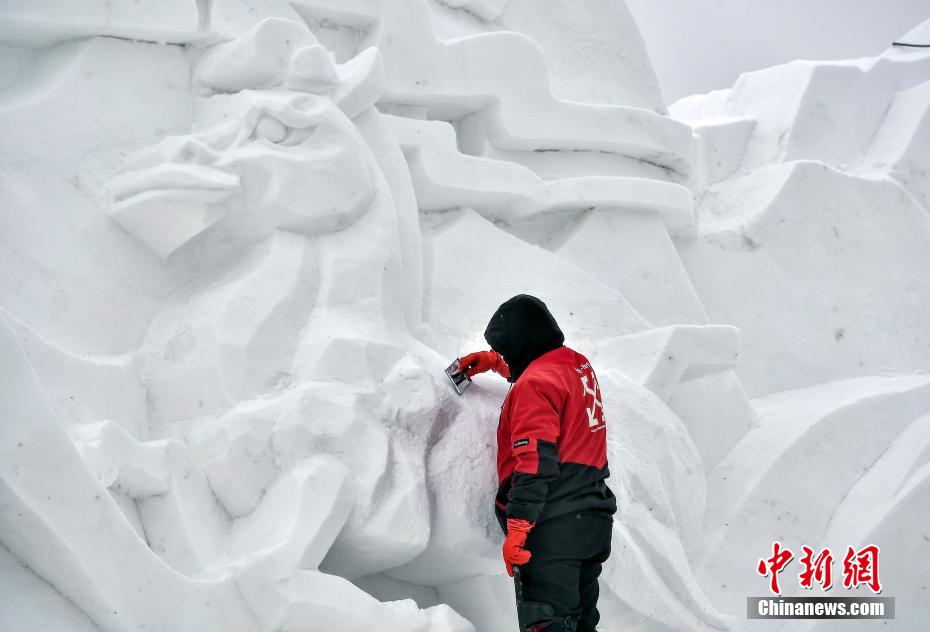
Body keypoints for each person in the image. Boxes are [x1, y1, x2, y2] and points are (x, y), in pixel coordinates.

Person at [458, 294, 617, 632]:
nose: (506, 355)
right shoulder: (576, 364)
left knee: (547, 626)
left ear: (521, 341)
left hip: (552, 530)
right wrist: (497, 364)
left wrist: (518, 529)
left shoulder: (534, 386)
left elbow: (535, 463)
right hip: (591, 522)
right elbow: (550, 384)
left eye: (506, 348)